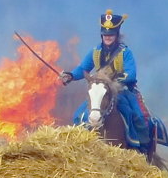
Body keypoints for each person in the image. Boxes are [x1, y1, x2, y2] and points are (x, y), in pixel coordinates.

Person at [59, 9, 151, 149]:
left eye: (111, 34)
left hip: (121, 92)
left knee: (137, 116)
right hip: (99, 91)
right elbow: (83, 68)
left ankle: (142, 148)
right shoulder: (95, 51)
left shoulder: (125, 52)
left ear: (116, 35)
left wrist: (114, 81)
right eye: (105, 34)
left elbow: (131, 74)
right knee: (78, 115)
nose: (107, 37)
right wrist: (71, 75)